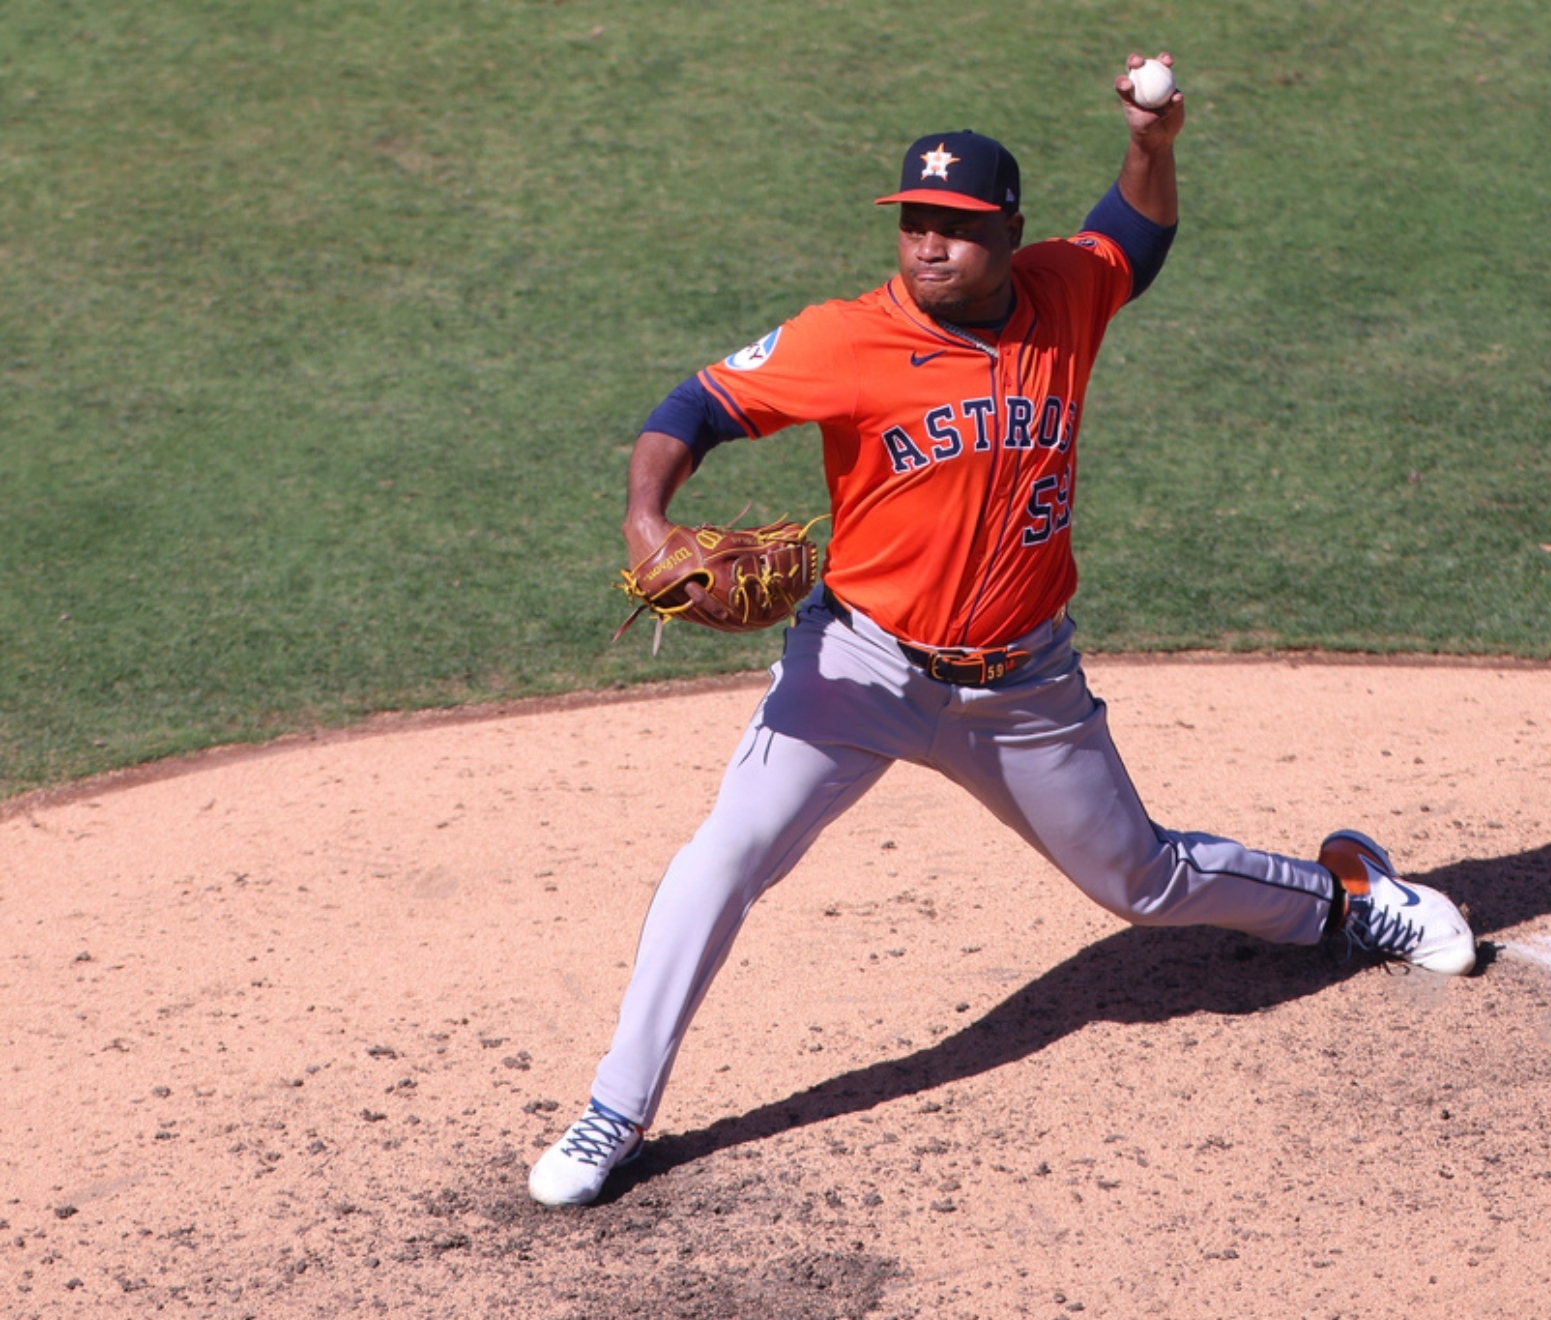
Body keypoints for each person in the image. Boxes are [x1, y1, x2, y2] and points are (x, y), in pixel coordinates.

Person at [529, 53, 1476, 1208]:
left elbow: (1136, 231)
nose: (930, 245)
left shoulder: (1066, 290)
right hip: (856, 667)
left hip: (1022, 687)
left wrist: (1153, 140)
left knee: (1144, 880)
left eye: (958, 227)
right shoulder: (843, 337)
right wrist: (645, 517)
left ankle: (1350, 898)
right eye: (914, 222)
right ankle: (613, 1111)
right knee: (721, 858)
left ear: (1009, 232)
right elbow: (694, 405)